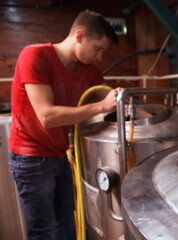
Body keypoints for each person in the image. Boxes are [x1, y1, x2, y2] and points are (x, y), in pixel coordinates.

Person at [8, 10, 118, 240]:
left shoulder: (88, 70)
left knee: (67, 222)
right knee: (43, 227)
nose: (100, 57)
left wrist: (163, 117)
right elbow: (47, 116)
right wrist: (100, 107)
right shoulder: (34, 55)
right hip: (31, 158)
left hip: (60, 154)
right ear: (79, 35)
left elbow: (114, 100)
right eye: (98, 48)